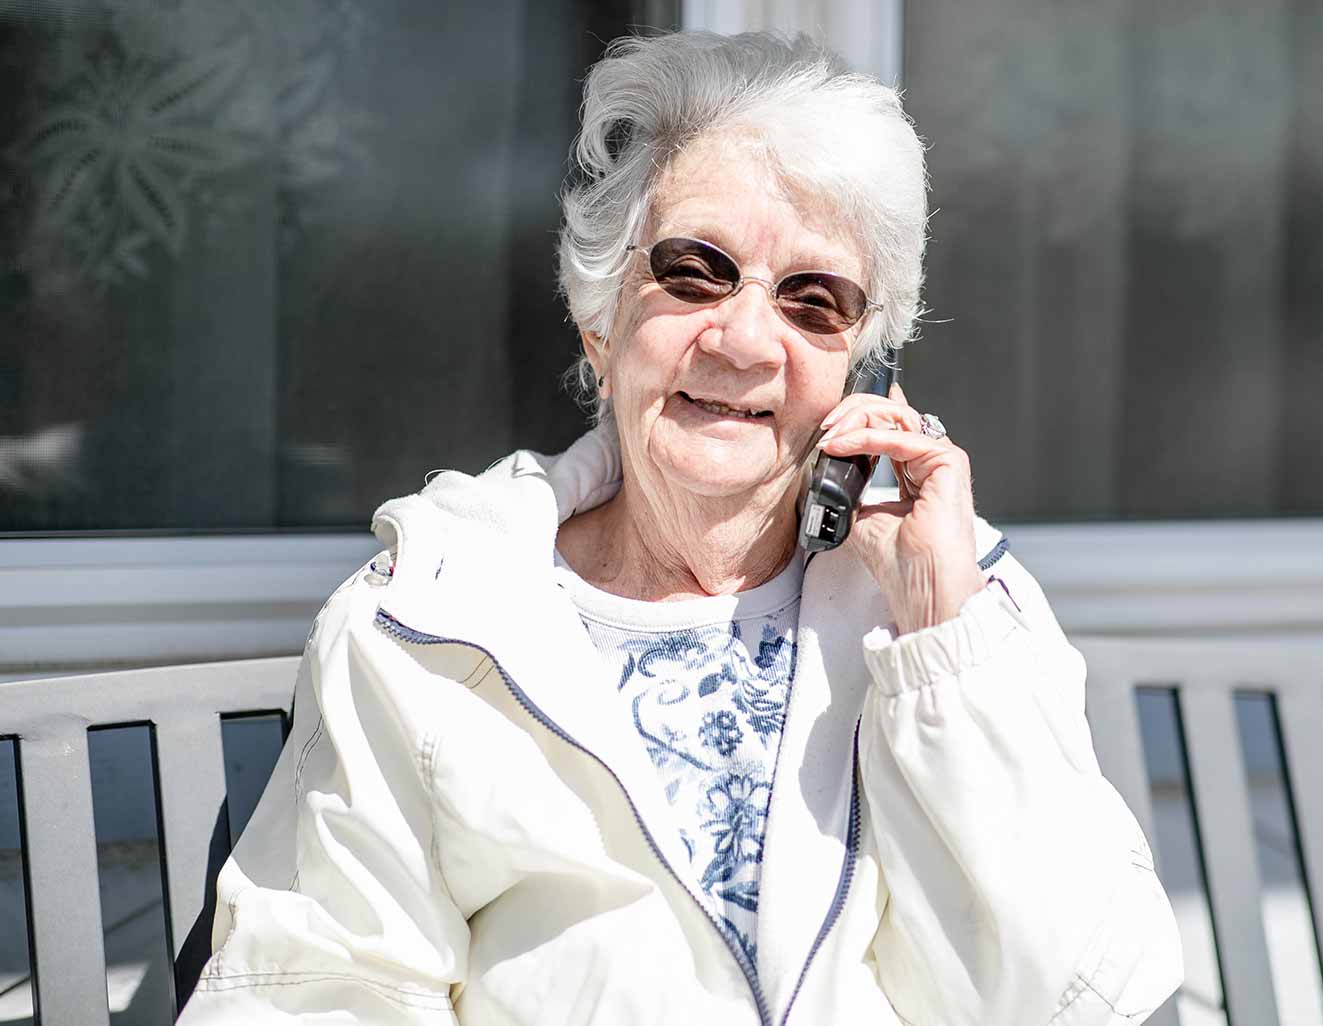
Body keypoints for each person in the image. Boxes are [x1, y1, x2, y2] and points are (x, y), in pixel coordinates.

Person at [177, 29, 1183, 1026]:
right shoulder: (429, 625)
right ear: (600, 319)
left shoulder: (957, 608)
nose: (745, 339)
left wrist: (936, 634)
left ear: (861, 371)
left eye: (813, 300)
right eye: (695, 270)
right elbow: (319, 999)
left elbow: (1070, 999)